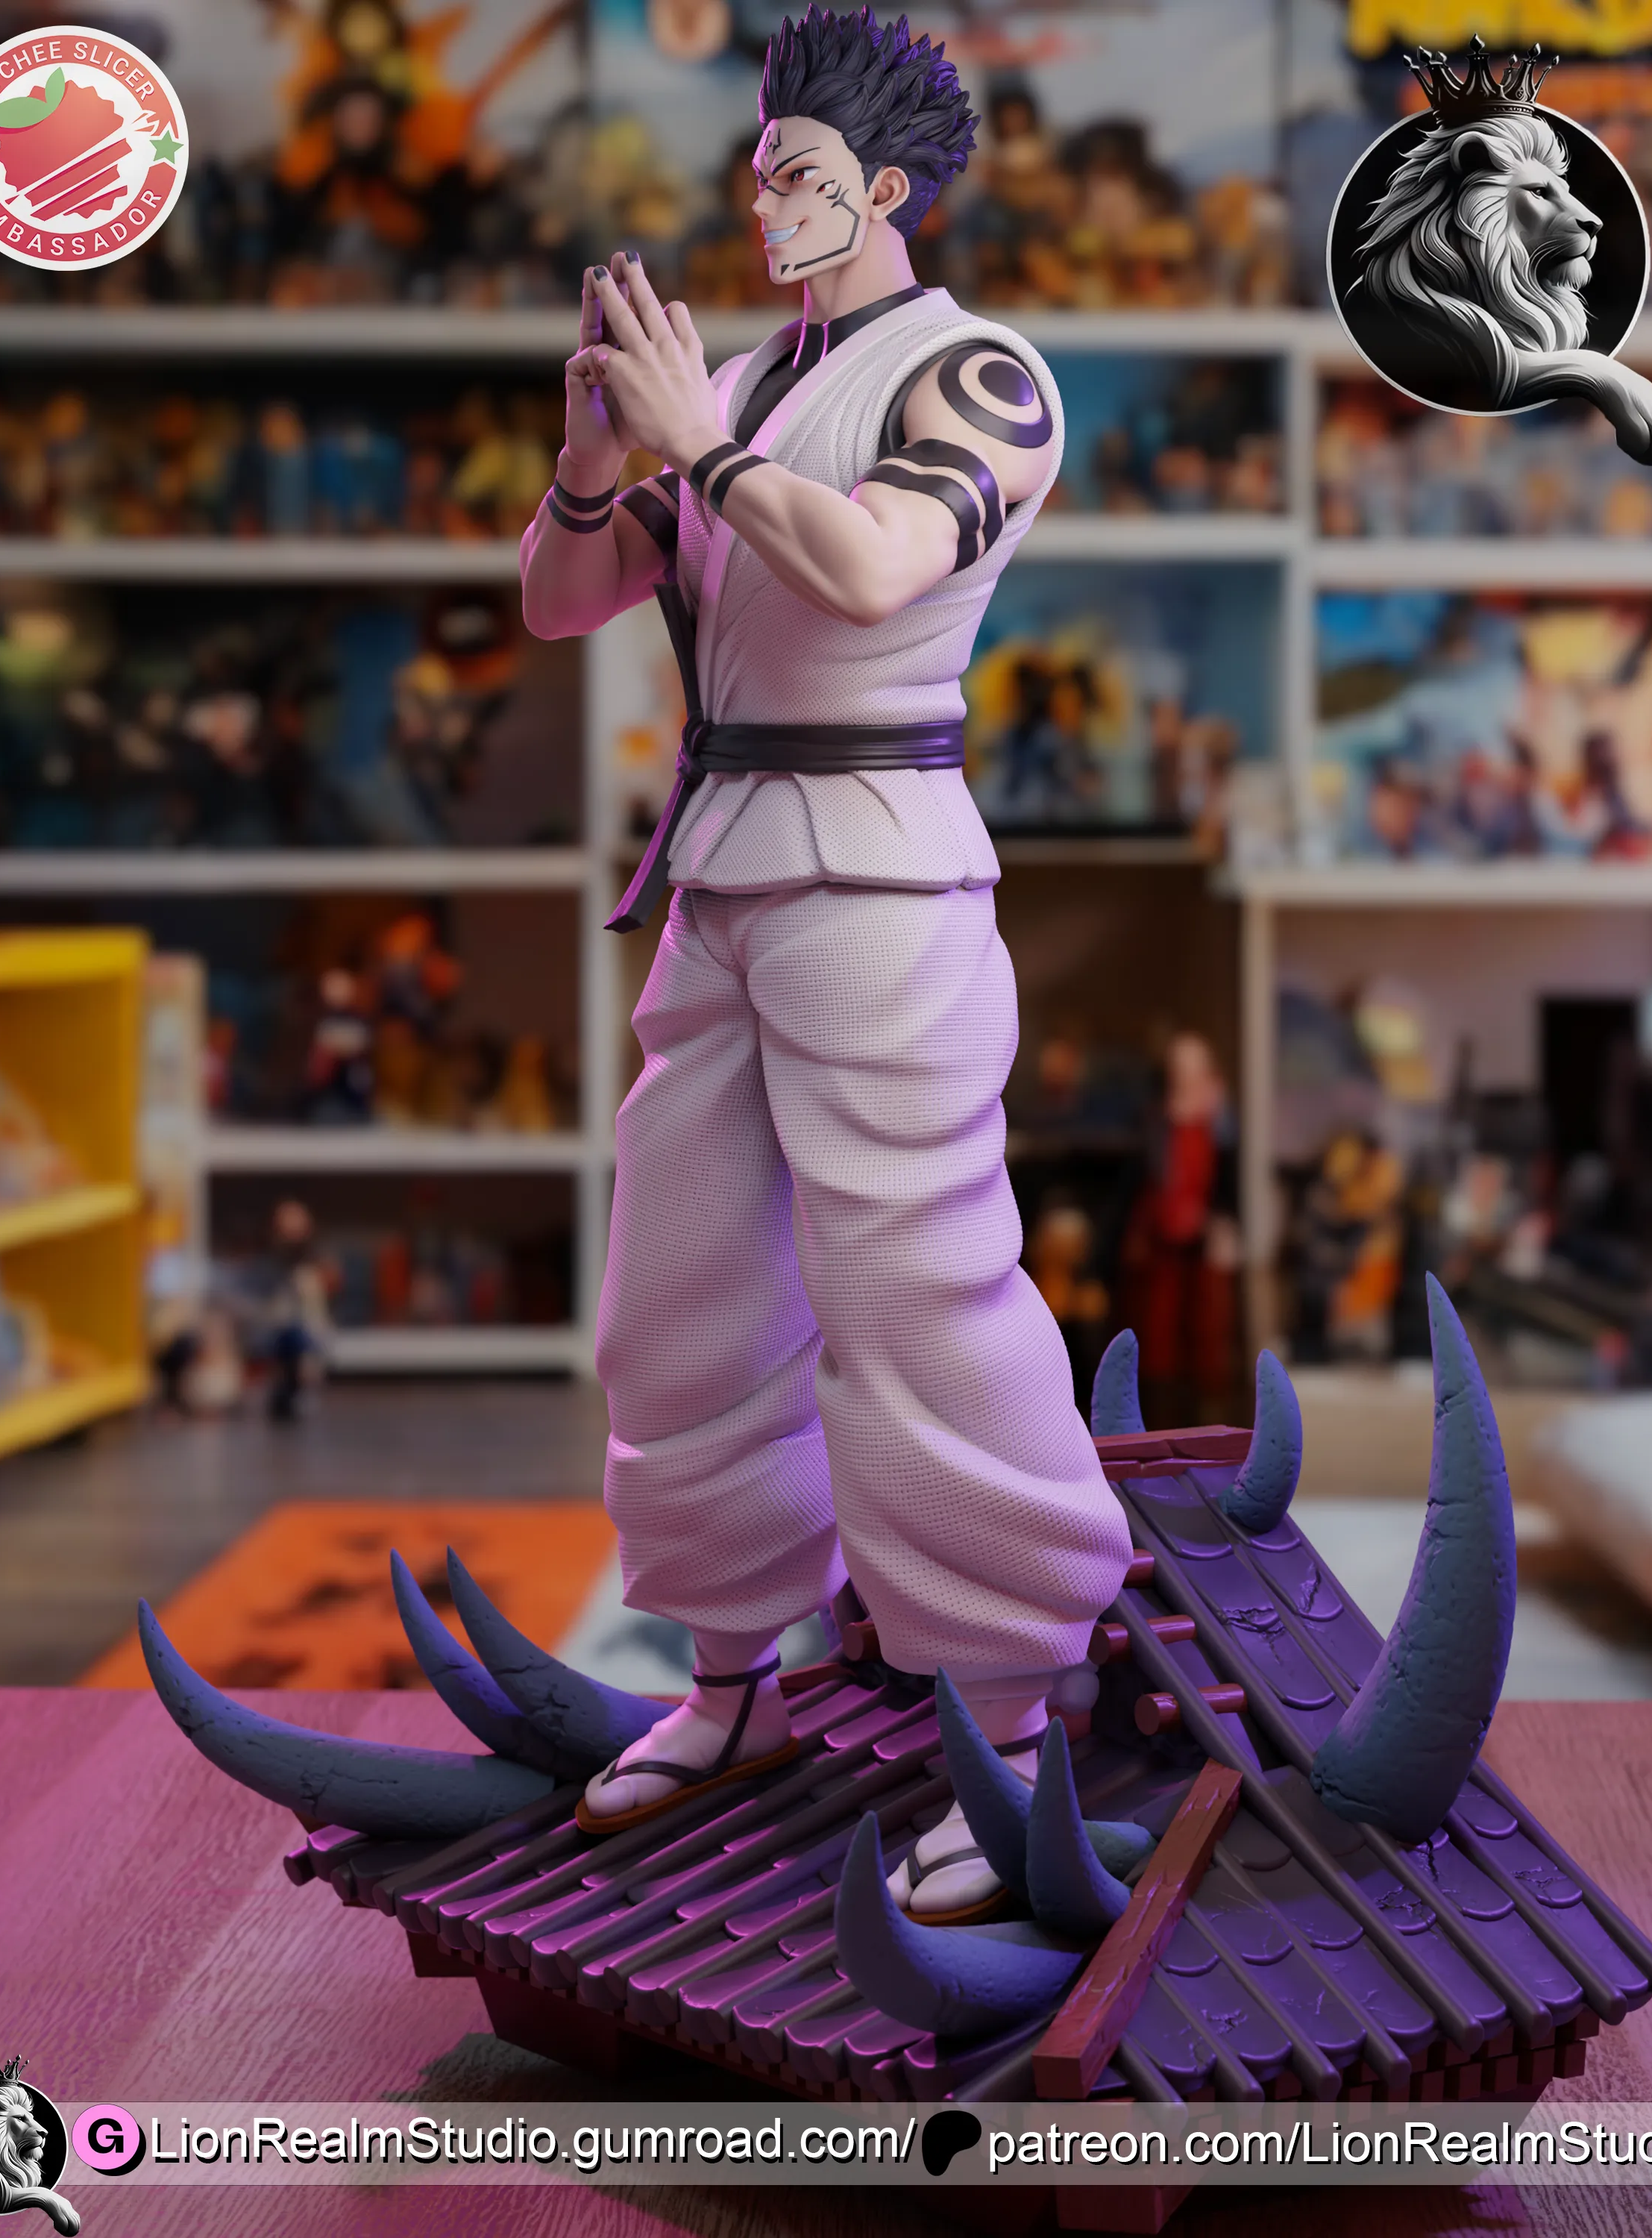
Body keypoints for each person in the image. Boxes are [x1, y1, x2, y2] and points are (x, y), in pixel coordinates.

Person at [518, 2, 1131, 1921]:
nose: (762, 195)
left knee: (913, 1289)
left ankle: (1012, 1719)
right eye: (757, 164)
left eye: (797, 170)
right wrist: (597, 461)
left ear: (887, 190)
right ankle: (729, 1680)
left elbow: (869, 570)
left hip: (876, 868)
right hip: (722, 865)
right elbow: (561, 601)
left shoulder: (982, 375)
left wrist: (698, 447)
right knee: (680, 1282)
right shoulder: (751, 385)